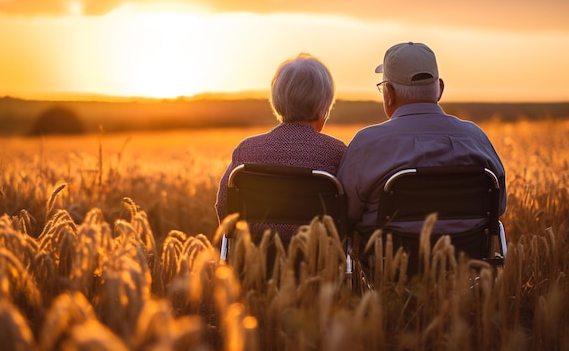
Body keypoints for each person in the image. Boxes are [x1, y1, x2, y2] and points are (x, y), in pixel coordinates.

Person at [337, 41, 506, 245]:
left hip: (387, 265)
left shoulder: (367, 144)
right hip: (468, 260)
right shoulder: (475, 137)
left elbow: (344, 214)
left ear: (389, 94)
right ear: (439, 89)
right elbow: (499, 205)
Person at [215, 53, 347, 232]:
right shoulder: (338, 153)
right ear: (325, 106)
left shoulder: (246, 151)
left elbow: (225, 208)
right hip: (320, 257)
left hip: (256, 256)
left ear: (277, 101)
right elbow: (350, 213)